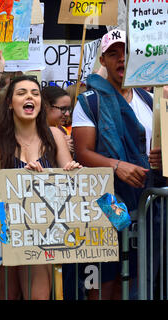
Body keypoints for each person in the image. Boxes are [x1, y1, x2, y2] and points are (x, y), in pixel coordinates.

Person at [72, 29, 164, 299]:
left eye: (126, 52)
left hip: (143, 205)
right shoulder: (89, 101)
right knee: (102, 280)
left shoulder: (151, 101)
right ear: (103, 60)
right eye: (113, 54)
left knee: (138, 276)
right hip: (102, 204)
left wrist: (160, 158)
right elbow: (83, 152)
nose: (121, 59)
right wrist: (116, 165)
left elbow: (158, 148)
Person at [0, 75, 81, 300]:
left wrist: (72, 170)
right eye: (21, 93)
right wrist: (24, 177)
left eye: (35, 93)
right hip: (6, 230)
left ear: (40, 103)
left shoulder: (55, 135)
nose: (29, 97)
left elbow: (66, 169)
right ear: (9, 102)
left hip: (41, 232)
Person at [41, 86, 74, 154]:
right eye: (63, 109)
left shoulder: (63, 130)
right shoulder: (33, 133)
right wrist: (60, 147)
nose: (67, 114)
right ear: (46, 106)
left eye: (69, 109)